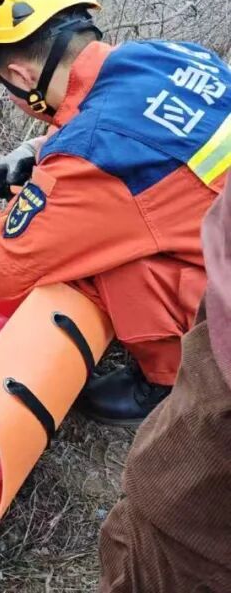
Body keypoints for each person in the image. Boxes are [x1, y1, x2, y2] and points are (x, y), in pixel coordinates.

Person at [0, 0, 229, 424]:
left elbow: (4, 269)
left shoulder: (96, 153)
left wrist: (32, 194)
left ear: (19, 74)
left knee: (106, 258)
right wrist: (38, 149)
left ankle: (167, 382)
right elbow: (149, 130)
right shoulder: (171, 56)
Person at [98, 185, 231, 592]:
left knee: (171, 533)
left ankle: (157, 376)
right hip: (206, 269)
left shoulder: (92, 147)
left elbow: (9, 266)